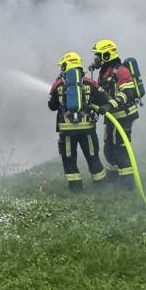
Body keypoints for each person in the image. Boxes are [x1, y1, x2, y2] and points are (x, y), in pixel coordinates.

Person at [48, 52, 107, 192]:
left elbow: (52, 106)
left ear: (65, 66)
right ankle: (101, 187)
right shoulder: (90, 83)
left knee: (69, 158)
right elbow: (104, 99)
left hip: (67, 130)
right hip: (87, 129)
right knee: (92, 156)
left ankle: (75, 189)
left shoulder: (58, 85)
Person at [90, 39, 139, 190]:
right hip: (111, 117)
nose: (96, 59)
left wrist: (109, 105)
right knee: (109, 148)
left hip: (124, 116)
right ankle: (113, 177)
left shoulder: (121, 70)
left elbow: (128, 93)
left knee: (121, 148)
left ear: (107, 55)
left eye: (99, 55)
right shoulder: (104, 72)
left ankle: (128, 183)